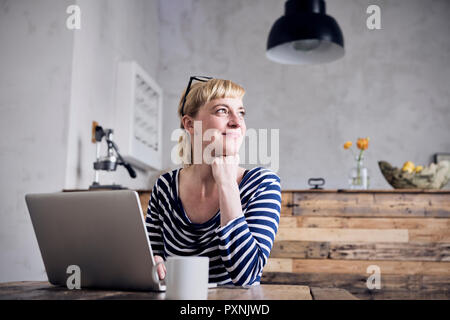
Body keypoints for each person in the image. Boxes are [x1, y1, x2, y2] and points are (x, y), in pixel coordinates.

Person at [145, 77, 281, 286]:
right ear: (190, 124)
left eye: (241, 112)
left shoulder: (262, 184)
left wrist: (227, 183)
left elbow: (246, 276)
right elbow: (151, 257)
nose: (237, 122)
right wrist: (152, 263)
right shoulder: (164, 187)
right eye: (222, 111)